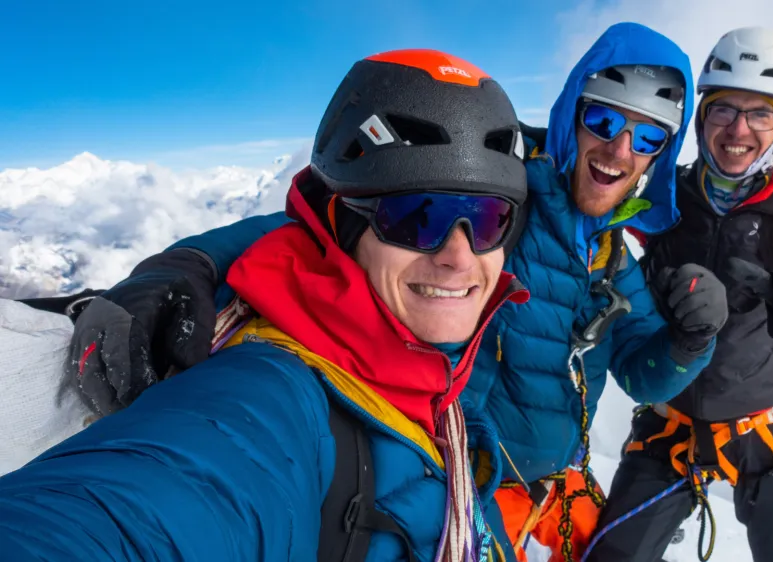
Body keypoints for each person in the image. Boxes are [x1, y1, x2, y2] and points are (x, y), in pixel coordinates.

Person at [56, 22, 730, 562]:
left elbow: (645, 376)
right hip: (470, 485)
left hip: (547, 499)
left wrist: (692, 339)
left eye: (647, 138)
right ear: (570, 118)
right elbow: (341, 218)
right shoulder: (503, 201)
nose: (619, 150)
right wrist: (186, 265)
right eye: (604, 122)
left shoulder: (616, 259)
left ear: (660, 155)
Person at [0, 48, 532, 562]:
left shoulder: (430, 384)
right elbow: (139, 510)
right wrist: (191, 259)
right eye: (420, 217)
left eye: (489, 221)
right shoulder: (269, 396)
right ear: (343, 225)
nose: (460, 257)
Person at [585, 27, 773, 562]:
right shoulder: (667, 196)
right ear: (701, 118)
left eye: (760, 114)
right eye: (723, 110)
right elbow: (597, 205)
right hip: (670, 419)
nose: (738, 129)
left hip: (762, 422)